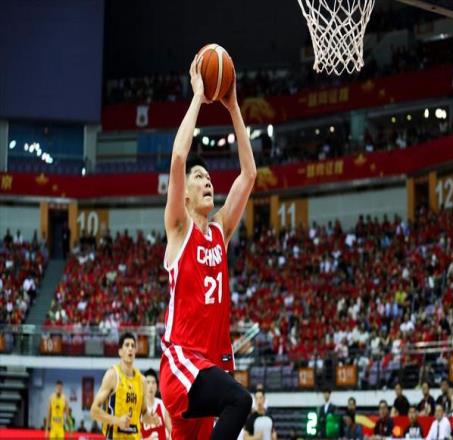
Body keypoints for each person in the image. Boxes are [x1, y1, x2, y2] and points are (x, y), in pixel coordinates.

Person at [159, 54, 255, 440]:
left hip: (210, 366)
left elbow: (249, 174)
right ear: (184, 194)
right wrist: (199, 95)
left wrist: (233, 107)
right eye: (199, 177)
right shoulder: (178, 228)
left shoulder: (220, 232)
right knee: (241, 401)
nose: (207, 181)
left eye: (209, 176)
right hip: (182, 363)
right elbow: (178, 157)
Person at [90, 332, 159, 439]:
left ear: (135, 351)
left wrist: (150, 419)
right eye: (127, 345)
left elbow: (144, 413)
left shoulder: (142, 381)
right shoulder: (112, 375)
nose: (130, 348)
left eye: (133, 346)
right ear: (120, 351)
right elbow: (94, 411)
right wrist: (117, 421)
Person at [141, 369, 172, 440]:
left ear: (157, 386)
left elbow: (171, 430)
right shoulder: (139, 407)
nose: (151, 386)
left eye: (153, 383)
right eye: (148, 382)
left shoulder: (162, 405)